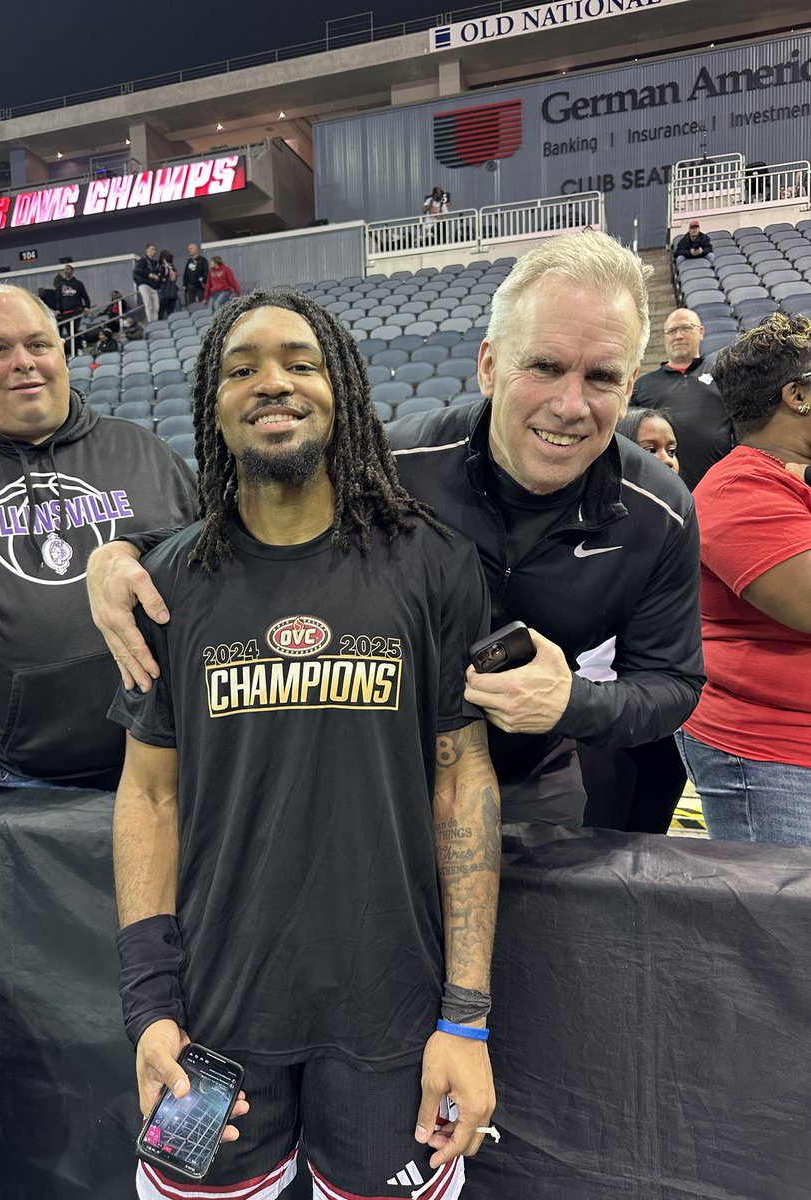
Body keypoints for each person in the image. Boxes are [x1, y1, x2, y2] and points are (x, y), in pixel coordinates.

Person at [87, 231, 704, 830]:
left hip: (529, 782)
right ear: (489, 365)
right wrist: (125, 553)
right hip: (382, 778)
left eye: (602, 378)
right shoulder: (387, 464)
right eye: (543, 367)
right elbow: (244, 523)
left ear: (629, 387)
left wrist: (571, 703)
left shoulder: (662, 511)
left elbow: (673, 683)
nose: (570, 405)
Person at [107, 288, 499, 1200]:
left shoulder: (431, 563)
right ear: (212, 401)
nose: (271, 382)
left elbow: (462, 785)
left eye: (300, 362)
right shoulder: (167, 584)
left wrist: (468, 1020)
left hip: (396, 1020)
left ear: (343, 390)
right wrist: (149, 1012)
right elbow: (149, 796)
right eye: (241, 368)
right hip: (210, 1022)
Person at [0, 283, 196, 798]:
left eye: (38, 344)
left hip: (171, 764)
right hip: (21, 782)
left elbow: (216, 570)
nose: (24, 362)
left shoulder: (143, 451)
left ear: (60, 350)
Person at [676, 312, 811, 843]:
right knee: (786, 926)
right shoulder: (738, 490)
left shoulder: (788, 480)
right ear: (798, 395)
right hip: (769, 755)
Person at [578, 407, 688, 834]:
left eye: (672, 450)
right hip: (598, 713)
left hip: (663, 716)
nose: (667, 459)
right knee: (599, 843)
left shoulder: (679, 524)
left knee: (650, 838)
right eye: (651, 449)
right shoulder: (584, 526)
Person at [631, 307, 733, 489]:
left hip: (721, 483)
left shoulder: (724, 376)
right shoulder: (643, 385)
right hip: (663, 487)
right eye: (671, 331)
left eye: (686, 328)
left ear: (701, 332)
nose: (678, 336)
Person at [55, 264, 91, 351]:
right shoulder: (61, 284)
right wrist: (58, 310)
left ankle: (79, 348)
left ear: (72, 271)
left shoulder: (78, 284)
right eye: (65, 270)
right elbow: (58, 298)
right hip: (65, 312)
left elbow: (86, 297)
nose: (66, 271)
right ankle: (77, 348)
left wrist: (86, 307)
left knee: (74, 328)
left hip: (76, 310)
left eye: (68, 269)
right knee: (70, 332)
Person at [134, 244, 162, 324]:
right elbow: (137, 271)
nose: (154, 251)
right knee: (149, 305)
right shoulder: (143, 260)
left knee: (156, 306)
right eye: (152, 249)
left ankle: (155, 321)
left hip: (153, 285)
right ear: (147, 250)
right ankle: (151, 322)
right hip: (144, 284)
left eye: (154, 250)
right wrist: (149, 275)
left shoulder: (155, 263)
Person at [157, 249, 178, 321]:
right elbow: (160, 279)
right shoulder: (162, 268)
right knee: (162, 312)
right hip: (166, 293)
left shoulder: (172, 268)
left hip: (172, 293)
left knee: (171, 313)